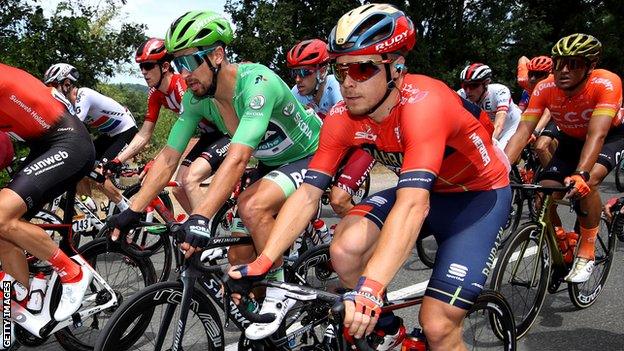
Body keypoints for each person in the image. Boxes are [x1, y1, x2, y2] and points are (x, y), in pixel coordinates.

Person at [228, 4, 511, 350]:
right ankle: (390, 331)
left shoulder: (425, 104)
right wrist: (263, 261)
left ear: (397, 66)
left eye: (363, 68)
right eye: (340, 69)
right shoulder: (341, 116)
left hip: (477, 197)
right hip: (431, 191)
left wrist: (371, 288)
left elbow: (412, 206)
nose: (347, 83)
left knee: (438, 326)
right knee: (344, 249)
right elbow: (307, 194)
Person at [109, 10, 323, 338]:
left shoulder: (256, 83)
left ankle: (281, 293)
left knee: (252, 205)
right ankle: (268, 318)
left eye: (188, 63)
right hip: (271, 164)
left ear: (216, 55)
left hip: (311, 156)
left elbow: (237, 159)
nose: (182, 75)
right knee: (238, 257)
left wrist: (201, 217)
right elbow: (168, 158)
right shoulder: (197, 99)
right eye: (176, 65)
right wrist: (133, 210)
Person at [504, 33, 623, 283]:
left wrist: (580, 174)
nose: (563, 70)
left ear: (590, 67)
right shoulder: (545, 87)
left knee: (587, 181)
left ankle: (587, 250)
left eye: (574, 64)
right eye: (558, 63)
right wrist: (501, 169)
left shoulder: (606, 82)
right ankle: (561, 242)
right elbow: (523, 131)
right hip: (571, 137)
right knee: (543, 194)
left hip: (609, 135)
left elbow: (597, 134)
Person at [0, 63, 95, 321]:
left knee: (1, 216)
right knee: (2, 230)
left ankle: (72, 273)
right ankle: (26, 297)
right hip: (43, 146)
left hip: (68, 141)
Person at [103, 38, 230, 213]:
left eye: (148, 66)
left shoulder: (181, 85)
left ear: (164, 67)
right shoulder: (155, 94)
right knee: (178, 188)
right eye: (141, 67)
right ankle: (204, 226)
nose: (143, 72)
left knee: (189, 180)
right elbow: (144, 133)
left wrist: (156, 162)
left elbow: (180, 135)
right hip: (208, 136)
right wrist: (118, 160)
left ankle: (203, 226)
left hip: (226, 133)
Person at [286, 38, 375, 216]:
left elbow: (346, 130)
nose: (298, 79)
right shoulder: (296, 92)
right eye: (294, 73)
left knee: (338, 200)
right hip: (331, 144)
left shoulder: (337, 86)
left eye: (305, 72)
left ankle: (372, 235)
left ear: (322, 71)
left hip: (362, 141)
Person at [43, 63, 138, 212]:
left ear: (67, 84)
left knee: (100, 175)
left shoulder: (84, 95)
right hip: (110, 136)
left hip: (127, 132)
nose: (52, 91)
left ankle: (126, 211)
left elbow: (73, 129)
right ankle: (89, 209)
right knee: (77, 165)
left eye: (54, 86)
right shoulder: (69, 105)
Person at [458, 63, 521, 149]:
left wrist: (489, 145)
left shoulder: (499, 91)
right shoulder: (462, 94)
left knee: (501, 155)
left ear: (486, 83)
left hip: (510, 127)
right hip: (489, 128)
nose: (468, 91)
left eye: (474, 85)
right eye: (465, 86)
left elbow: (499, 124)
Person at [517, 55, 558, 167]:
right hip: (536, 110)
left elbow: (547, 114)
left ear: (549, 75)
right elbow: (523, 58)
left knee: (541, 146)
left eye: (538, 75)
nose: (533, 79)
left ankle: (554, 171)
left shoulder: (554, 84)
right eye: (531, 74)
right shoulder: (524, 80)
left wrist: (535, 132)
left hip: (555, 115)